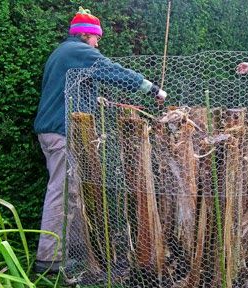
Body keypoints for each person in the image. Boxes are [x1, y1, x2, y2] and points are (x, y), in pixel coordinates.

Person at [33, 7, 167, 273]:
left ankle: (68, 254)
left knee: (71, 192)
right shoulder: (77, 51)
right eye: (96, 37)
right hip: (61, 131)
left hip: (55, 130)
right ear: (85, 35)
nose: (98, 43)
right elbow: (111, 70)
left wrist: (97, 101)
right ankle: (48, 261)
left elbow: (71, 88)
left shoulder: (63, 53)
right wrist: (151, 89)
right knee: (61, 192)